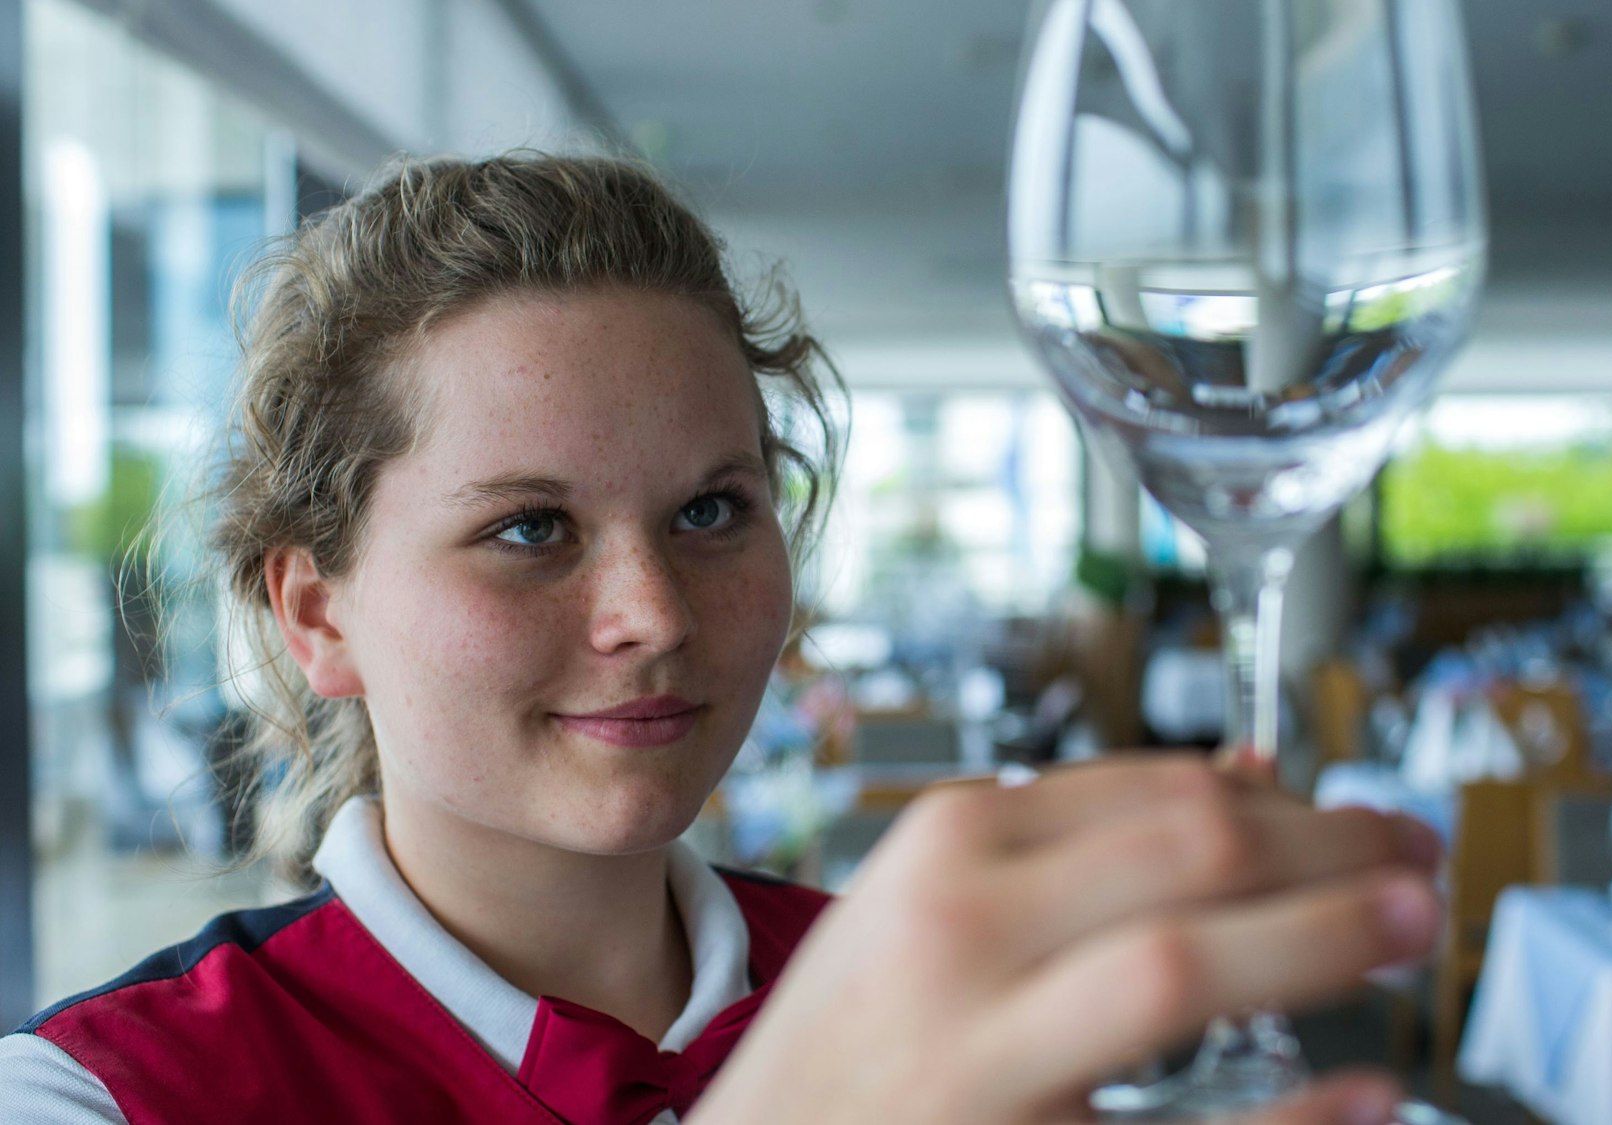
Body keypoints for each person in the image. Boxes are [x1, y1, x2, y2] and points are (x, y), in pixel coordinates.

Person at [0, 152, 1444, 1124]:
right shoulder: (103, 1090)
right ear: (316, 613)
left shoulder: (930, 987)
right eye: (529, 529)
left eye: (709, 509)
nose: (654, 614)